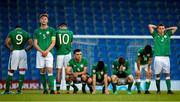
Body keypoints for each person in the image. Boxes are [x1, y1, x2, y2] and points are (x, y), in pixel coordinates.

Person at [2, 25, 33, 94]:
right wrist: (25, 49)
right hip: (23, 52)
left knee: (11, 71)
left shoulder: (12, 33)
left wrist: (11, 49)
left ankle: (7, 90)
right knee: (22, 71)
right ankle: (19, 90)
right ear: (21, 28)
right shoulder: (26, 33)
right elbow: (31, 44)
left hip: (15, 51)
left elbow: (6, 43)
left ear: (15, 28)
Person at [148, 24, 177, 94]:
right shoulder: (155, 35)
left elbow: (175, 28)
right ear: (158, 29)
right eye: (160, 28)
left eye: (162, 28)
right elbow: (150, 26)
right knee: (157, 75)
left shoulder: (168, 35)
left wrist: (167, 29)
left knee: (167, 74)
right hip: (158, 57)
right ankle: (158, 90)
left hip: (166, 57)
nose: (161, 29)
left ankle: (169, 90)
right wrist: (157, 27)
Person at [34, 13, 56, 94]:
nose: (44, 20)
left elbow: (53, 43)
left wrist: (46, 51)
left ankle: (52, 89)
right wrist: (41, 51)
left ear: (47, 20)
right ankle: (45, 89)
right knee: (42, 71)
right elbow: (35, 43)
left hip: (49, 53)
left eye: (45, 19)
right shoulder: (36, 31)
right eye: (42, 19)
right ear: (40, 20)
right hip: (40, 53)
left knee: (50, 70)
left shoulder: (52, 30)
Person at [55, 23, 73, 94]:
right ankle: (68, 90)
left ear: (60, 27)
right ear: (66, 27)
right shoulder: (70, 32)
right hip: (68, 53)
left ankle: (58, 90)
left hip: (60, 53)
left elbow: (55, 43)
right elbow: (71, 43)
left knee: (58, 71)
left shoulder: (57, 32)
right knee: (67, 71)